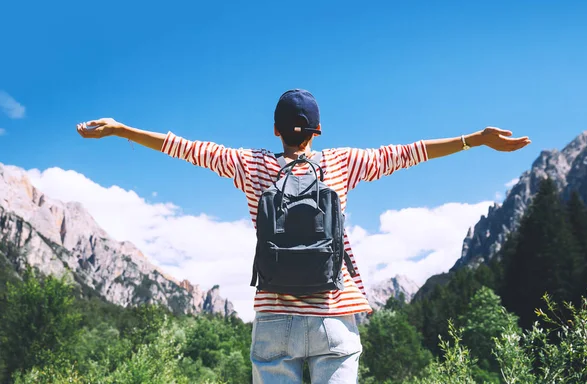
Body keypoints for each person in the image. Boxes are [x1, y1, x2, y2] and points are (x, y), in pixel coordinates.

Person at [76, 88, 530, 384]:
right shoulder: (341, 163)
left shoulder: (250, 163)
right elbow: (408, 153)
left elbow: (184, 147)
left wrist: (121, 130)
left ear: (276, 130)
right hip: (335, 313)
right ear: (317, 131)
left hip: (274, 318)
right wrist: (476, 139)